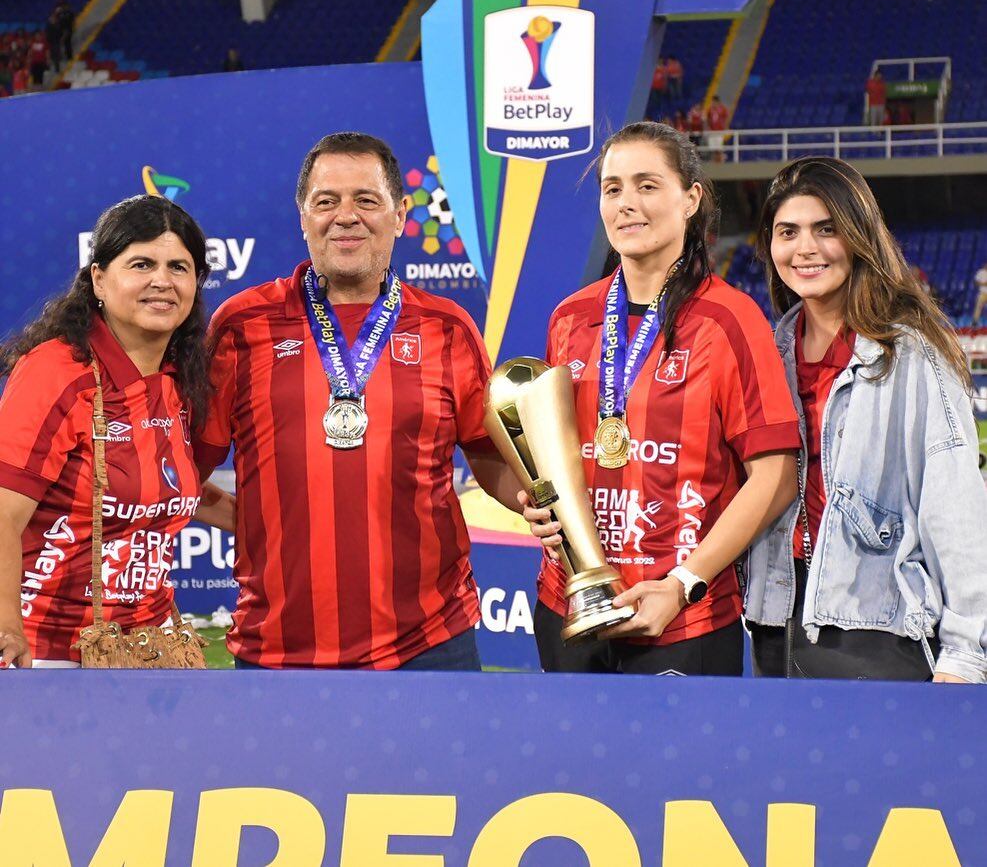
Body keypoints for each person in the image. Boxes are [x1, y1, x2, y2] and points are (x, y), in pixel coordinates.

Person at [193, 132, 520, 670]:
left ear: (400, 214)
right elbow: (182, 468)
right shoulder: (241, 325)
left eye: (366, 200)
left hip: (429, 646)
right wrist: (248, 519)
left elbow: (486, 455)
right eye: (327, 201)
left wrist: (539, 503)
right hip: (276, 649)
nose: (346, 216)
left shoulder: (448, 328)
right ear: (303, 215)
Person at [520, 121, 800, 675]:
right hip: (571, 602)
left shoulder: (729, 320)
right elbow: (557, 456)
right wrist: (535, 503)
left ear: (691, 198)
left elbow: (776, 475)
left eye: (648, 185)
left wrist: (682, 584)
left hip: (683, 616)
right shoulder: (570, 318)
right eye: (613, 188)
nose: (627, 203)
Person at [746, 157, 987, 683]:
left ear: (859, 238)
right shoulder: (766, 355)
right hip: (774, 621)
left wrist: (967, 651)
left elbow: (955, 508)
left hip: (873, 632)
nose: (804, 248)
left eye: (825, 229)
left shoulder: (913, 356)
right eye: (788, 232)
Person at [0, 195, 229, 668]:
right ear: (99, 279)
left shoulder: (179, 378)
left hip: (154, 648)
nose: (162, 281)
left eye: (179, 268)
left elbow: (164, 486)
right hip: (49, 655)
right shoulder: (58, 372)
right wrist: (6, 627)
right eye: (141, 263)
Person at [972, 261, 987, 326]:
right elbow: (975, 282)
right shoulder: (981, 272)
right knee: (978, 307)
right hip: (983, 293)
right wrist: (983, 284)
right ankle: (975, 322)